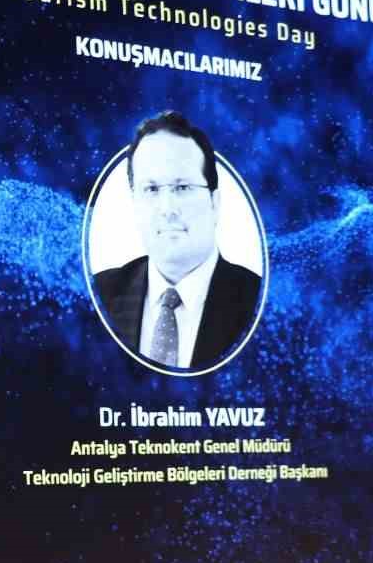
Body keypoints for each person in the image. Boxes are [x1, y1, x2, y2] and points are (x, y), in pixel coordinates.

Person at [92, 111, 262, 370]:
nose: (167, 208)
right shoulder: (100, 294)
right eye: (151, 189)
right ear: (134, 203)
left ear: (214, 203)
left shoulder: (258, 302)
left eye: (182, 188)